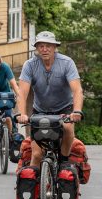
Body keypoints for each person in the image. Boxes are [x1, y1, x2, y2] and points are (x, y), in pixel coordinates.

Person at [14, 31, 84, 170]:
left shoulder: (66, 63)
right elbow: (22, 93)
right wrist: (21, 114)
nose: (44, 49)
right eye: (41, 46)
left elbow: (77, 90)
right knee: (37, 155)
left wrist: (77, 111)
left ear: (55, 47)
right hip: (40, 111)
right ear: (37, 48)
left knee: (68, 127)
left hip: (63, 109)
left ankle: (64, 160)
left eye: (48, 46)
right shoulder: (30, 65)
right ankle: (34, 187)